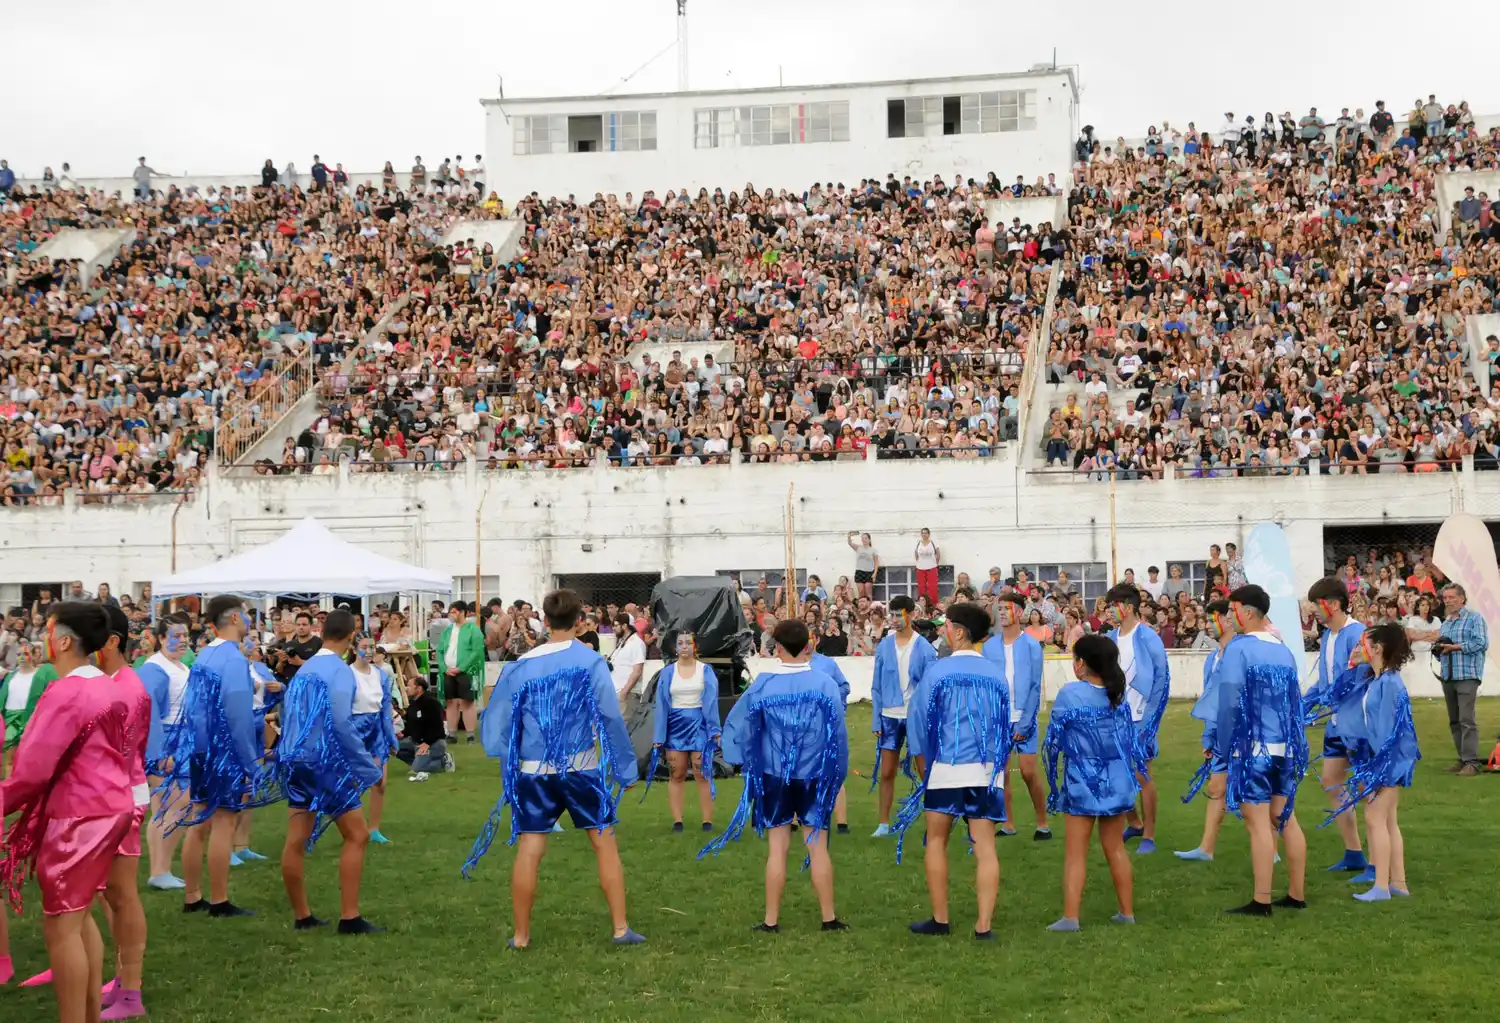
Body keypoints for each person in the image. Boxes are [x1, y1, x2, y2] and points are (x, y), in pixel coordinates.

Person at [463, 589, 643, 948]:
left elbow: (498, 717)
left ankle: (521, 935)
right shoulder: (589, 661)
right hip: (581, 767)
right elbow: (609, 716)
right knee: (604, 843)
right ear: (579, 621)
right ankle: (621, 928)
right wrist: (625, 769)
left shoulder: (522, 666)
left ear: (545, 620)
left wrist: (507, 754)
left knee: (530, 848)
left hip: (534, 770)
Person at [0, 602, 144, 1023]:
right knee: (78, 919)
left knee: (63, 926)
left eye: (49, 632)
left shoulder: (67, 692)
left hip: (79, 815)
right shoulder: (109, 686)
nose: (43, 640)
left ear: (63, 642)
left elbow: (32, 770)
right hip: (110, 808)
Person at [702, 620, 849, 934]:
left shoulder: (763, 686)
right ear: (808, 646)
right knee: (817, 846)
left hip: (774, 775)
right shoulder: (824, 684)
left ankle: (771, 921)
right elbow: (838, 735)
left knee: (777, 848)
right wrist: (837, 774)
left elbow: (740, 726)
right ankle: (828, 918)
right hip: (814, 775)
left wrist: (740, 759)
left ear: (777, 648)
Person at [894, 602, 1010, 939]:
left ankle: (941, 919)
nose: (944, 631)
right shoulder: (996, 674)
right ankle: (983, 925)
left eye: (947, 626)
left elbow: (918, 722)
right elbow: (1003, 726)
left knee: (936, 841)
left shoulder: (938, 671)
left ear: (959, 632)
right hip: (986, 771)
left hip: (946, 767)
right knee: (985, 846)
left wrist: (924, 767)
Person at [162, 595, 279, 918]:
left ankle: (192, 895)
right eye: (246, 615)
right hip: (224, 751)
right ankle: (219, 900)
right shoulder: (234, 659)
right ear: (235, 618)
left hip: (200, 748)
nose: (250, 620)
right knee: (224, 823)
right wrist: (250, 762)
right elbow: (239, 718)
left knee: (198, 822)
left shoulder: (204, 655)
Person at [276, 610, 385, 934]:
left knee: (296, 837)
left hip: (295, 758)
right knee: (358, 834)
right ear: (351, 637)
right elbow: (341, 723)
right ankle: (350, 917)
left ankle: (302, 915)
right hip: (324, 762)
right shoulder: (340, 671)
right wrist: (368, 767)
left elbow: (288, 714)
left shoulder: (305, 669)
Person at [1216, 584, 1310, 916]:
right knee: (1285, 818)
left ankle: (1262, 900)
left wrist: (1221, 748)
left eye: (1232, 611)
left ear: (1247, 612)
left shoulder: (1239, 648)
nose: (1229, 618)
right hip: (1284, 745)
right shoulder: (1283, 650)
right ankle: (1296, 894)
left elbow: (1228, 701)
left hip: (1252, 748)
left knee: (1257, 822)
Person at [1041, 634, 1141, 932]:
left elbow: (1053, 739)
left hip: (1082, 781)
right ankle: (1127, 912)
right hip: (1117, 779)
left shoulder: (1071, 694)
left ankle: (1071, 917)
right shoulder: (1117, 695)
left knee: (1076, 852)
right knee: (1116, 847)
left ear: (1081, 663)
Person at [1328, 624, 1420, 902]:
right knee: (1389, 821)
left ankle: (1381, 886)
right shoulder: (1379, 680)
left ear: (1377, 649)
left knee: (1375, 818)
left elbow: (1391, 731)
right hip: (1384, 761)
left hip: (1387, 763)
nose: (1358, 649)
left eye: (1363, 645)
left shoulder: (1389, 683)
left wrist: (1378, 768)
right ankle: (1398, 883)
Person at [1304, 577, 1370, 879]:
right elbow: (1327, 680)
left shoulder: (1357, 633)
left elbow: (1358, 679)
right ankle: (1354, 853)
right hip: (1335, 725)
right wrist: (1304, 703)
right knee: (1331, 781)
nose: (1313, 611)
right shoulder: (1328, 636)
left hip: (1358, 726)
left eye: (1317, 605)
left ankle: (1379, 863)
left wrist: (1325, 699)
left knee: (1368, 792)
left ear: (1334, 604)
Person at [1105, 583, 1169, 854]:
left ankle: (1150, 836)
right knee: (1117, 776)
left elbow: (1162, 680)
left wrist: (1150, 721)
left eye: (1113, 605)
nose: (1109, 611)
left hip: (1141, 718)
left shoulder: (1148, 637)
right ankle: (1135, 823)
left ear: (1128, 607)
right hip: (1115, 718)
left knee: (1142, 776)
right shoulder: (1110, 638)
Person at [981, 592, 1050, 840]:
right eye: (999, 608)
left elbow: (1034, 686)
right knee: (1002, 773)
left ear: (1019, 612)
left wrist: (1025, 721)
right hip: (999, 718)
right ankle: (1008, 824)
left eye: (1006, 608)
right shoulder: (989, 646)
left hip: (1023, 716)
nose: (1001, 612)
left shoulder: (1032, 645)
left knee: (1028, 771)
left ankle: (1042, 823)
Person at [869, 595, 937, 836]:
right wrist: (876, 718)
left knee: (924, 770)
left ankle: (934, 822)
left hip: (916, 717)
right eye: (892, 614)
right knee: (887, 771)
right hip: (889, 715)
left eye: (899, 614)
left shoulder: (925, 649)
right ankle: (883, 824)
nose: (895, 619)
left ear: (912, 615)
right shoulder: (884, 646)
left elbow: (930, 688)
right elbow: (876, 685)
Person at [1176, 599, 1235, 861]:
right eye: (1206, 620)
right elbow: (1212, 700)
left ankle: (1271, 847)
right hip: (1220, 734)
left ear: (1227, 619)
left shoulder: (1239, 653)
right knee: (1216, 788)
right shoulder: (1212, 658)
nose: (1208, 625)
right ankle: (1206, 849)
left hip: (1242, 734)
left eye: (1213, 619)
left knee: (1253, 793)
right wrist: (1209, 735)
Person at [136, 614, 192, 889]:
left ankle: (161, 870)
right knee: (177, 803)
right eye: (175, 635)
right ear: (160, 638)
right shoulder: (154, 668)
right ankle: (159, 871)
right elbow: (147, 714)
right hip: (165, 743)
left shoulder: (180, 665)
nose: (182, 640)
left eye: (185, 635)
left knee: (166, 807)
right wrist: (158, 753)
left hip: (180, 740)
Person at [1412, 584, 1488, 776]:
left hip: (1467, 675)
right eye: (1445, 598)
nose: (1448, 601)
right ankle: (1463, 759)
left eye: (1452, 597)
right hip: (1448, 676)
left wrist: (1455, 647)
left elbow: (1481, 643)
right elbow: (1444, 649)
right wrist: (1439, 650)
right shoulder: (1446, 623)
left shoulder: (1474, 618)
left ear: (1462, 598)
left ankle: (1472, 762)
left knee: (1466, 719)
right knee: (1454, 720)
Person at [650, 633, 721, 833]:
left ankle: (707, 821)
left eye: (688, 643)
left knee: (702, 773)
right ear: (675, 648)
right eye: (680, 643)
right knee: (677, 773)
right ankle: (677, 821)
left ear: (695, 646)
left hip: (700, 725)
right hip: (675, 726)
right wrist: (659, 736)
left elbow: (712, 702)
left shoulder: (705, 670)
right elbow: (661, 705)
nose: (684, 646)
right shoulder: (667, 672)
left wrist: (714, 730)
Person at [234, 635, 283, 865]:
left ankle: (242, 845)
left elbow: (276, 692)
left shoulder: (260, 667)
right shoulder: (232, 668)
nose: (251, 643)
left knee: (251, 786)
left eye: (253, 639)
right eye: (246, 639)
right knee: (237, 786)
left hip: (257, 724)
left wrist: (280, 687)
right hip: (239, 724)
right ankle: (226, 846)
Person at [349, 635, 399, 844]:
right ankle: (354, 826)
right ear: (353, 649)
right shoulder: (347, 674)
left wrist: (390, 736)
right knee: (353, 782)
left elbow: (385, 707)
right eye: (364, 647)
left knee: (380, 782)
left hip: (376, 729)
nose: (369, 651)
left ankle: (374, 829)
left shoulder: (380, 674)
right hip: (354, 729)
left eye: (372, 646)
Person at [809, 651, 852, 834]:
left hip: (827, 724)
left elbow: (844, 686)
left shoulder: (828, 663)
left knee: (834, 770)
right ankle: (795, 820)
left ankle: (841, 822)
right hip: (803, 726)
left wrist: (830, 699)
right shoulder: (790, 664)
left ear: (816, 640)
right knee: (799, 770)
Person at [1, 639, 56, 778]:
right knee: (8, 757)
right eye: (18, 654)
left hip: (30, 719)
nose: (21, 657)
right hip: (10, 719)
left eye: (25, 654)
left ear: (33, 655)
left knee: (25, 759)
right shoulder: (10, 677)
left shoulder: (39, 675)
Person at [436, 602, 484, 744]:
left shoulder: (473, 630)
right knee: (451, 702)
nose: (451, 615)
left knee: (467, 702)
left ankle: (470, 734)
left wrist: (462, 668)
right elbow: (439, 650)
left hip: (466, 671)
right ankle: (451, 733)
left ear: (463, 612)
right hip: (448, 670)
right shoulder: (447, 630)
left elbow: (476, 651)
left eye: (454, 611)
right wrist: (444, 667)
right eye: (450, 612)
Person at [398, 677, 447, 780]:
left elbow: (437, 727)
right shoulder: (413, 705)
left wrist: (427, 743)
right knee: (394, 746)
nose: (406, 689)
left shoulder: (432, 703)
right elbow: (411, 726)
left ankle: (444, 762)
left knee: (417, 770)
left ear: (419, 688)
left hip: (433, 743)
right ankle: (420, 762)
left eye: (410, 686)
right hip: (416, 742)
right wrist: (401, 734)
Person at [848, 531, 880, 602]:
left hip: (869, 572)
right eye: (862, 538)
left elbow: (876, 563)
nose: (864, 540)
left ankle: (870, 607)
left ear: (869, 539)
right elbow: (850, 543)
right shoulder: (858, 548)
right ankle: (861, 606)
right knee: (861, 591)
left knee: (868, 591)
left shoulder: (873, 550)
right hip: (859, 571)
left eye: (865, 538)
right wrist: (849, 536)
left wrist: (875, 573)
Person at [913, 528, 941, 607]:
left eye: (925, 533)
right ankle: (922, 604)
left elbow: (938, 554)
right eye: (922, 533)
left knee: (932, 587)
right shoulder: (918, 543)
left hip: (931, 567)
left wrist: (935, 563)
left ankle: (933, 604)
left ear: (929, 534)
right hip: (920, 568)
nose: (924, 534)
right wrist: (919, 563)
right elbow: (916, 554)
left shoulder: (933, 542)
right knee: (921, 586)